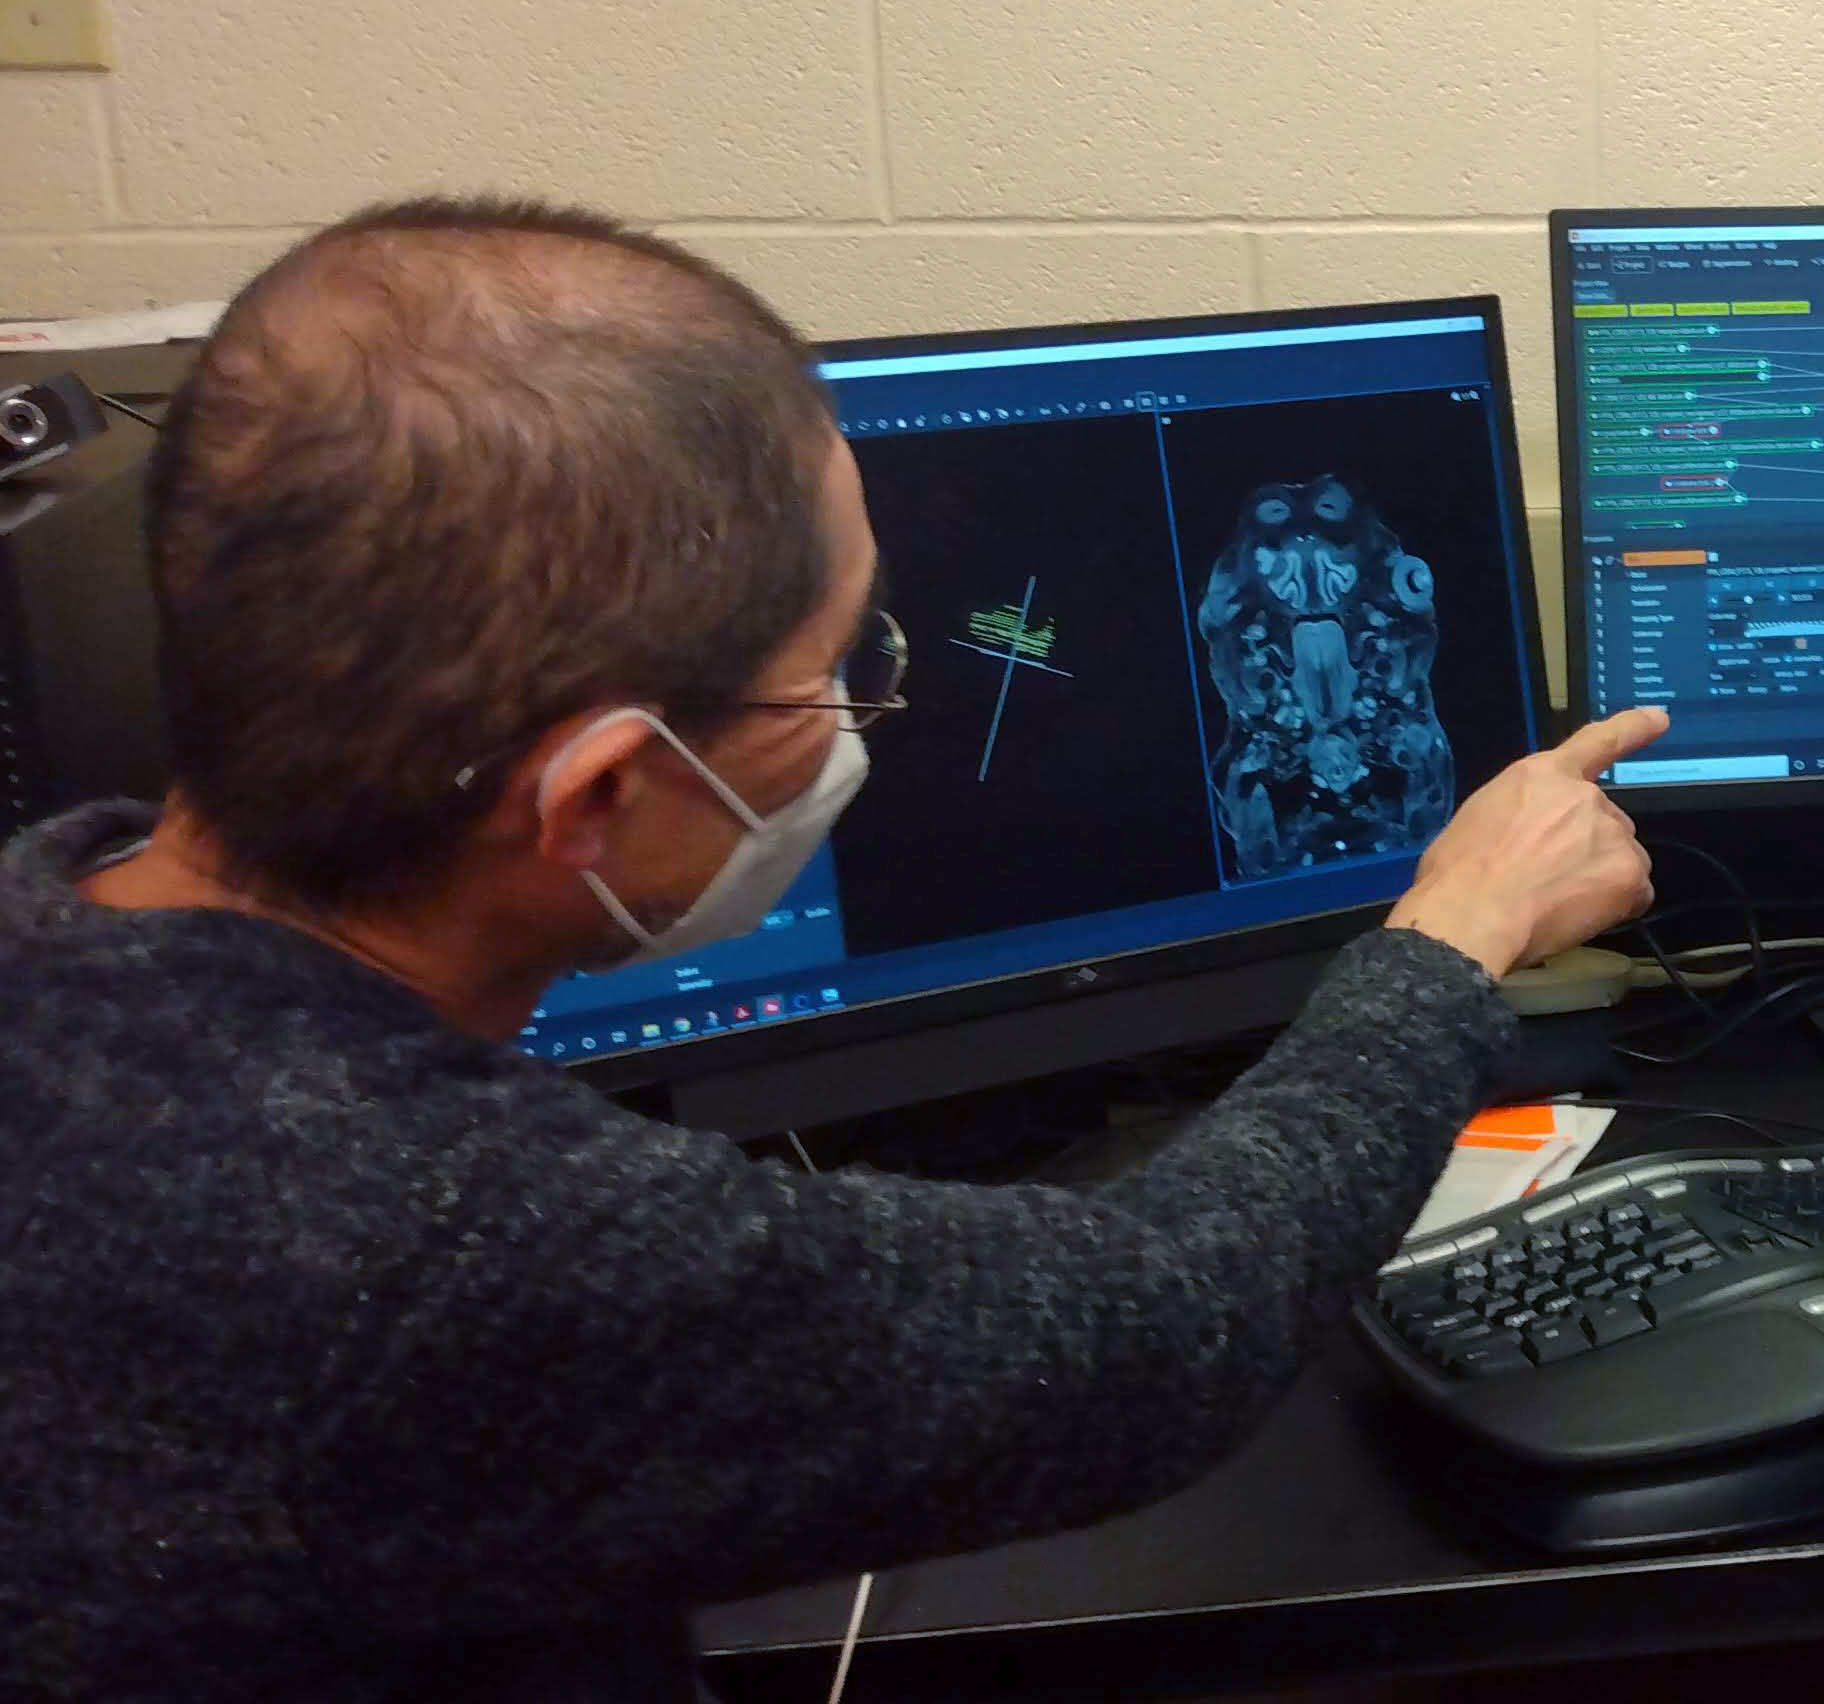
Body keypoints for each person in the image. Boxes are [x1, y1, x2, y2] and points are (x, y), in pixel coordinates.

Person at [0, 198, 1667, 1703]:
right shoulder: (443, 1246)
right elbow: (1170, 1329)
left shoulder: (54, 946)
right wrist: (1455, 931)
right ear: (600, 793)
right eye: (838, 673)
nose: (870, 705)